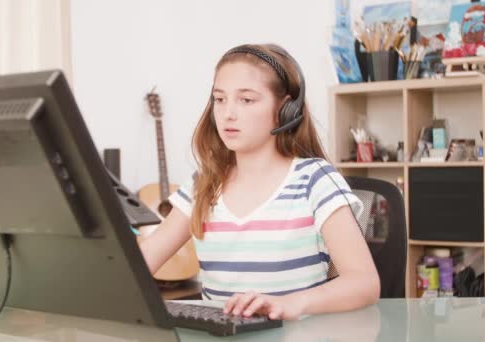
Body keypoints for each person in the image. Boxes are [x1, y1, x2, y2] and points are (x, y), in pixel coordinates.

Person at [139, 43, 380, 321]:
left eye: (247, 100)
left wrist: (291, 304)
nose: (228, 113)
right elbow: (141, 262)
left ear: (286, 108)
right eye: (219, 99)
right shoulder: (204, 183)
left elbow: (364, 282)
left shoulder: (316, 180)